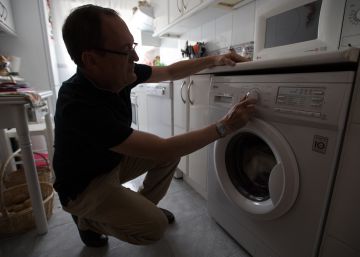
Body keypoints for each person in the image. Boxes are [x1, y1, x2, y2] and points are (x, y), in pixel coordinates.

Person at [53, 4, 256, 248]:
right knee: (154, 228)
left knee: (170, 155)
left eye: (133, 47)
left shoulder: (116, 74)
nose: (135, 58)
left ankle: (144, 209)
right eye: (126, 50)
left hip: (110, 163)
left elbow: (170, 71)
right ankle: (87, 221)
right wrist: (224, 126)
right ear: (91, 60)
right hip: (83, 188)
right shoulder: (78, 105)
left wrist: (215, 58)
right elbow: (162, 149)